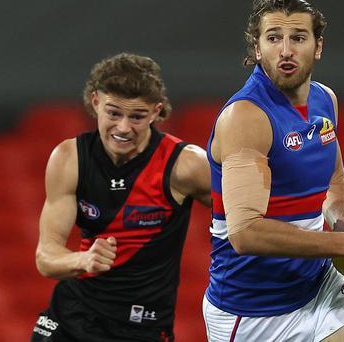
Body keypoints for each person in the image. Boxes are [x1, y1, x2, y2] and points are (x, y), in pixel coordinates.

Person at [203, 0, 344, 341]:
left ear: (317, 47)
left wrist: (341, 223)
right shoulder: (246, 117)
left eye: (298, 38)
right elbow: (246, 233)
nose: (286, 50)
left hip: (318, 287)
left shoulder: (324, 99)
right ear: (258, 50)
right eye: (273, 38)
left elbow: (335, 180)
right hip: (253, 309)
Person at [31, 53, 211, 342]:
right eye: (113, 113)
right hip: (71, 315)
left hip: (140, 328)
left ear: (156, 112)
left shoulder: (184, 165)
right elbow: (46, 257)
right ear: (95, 103)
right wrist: (83, 259)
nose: (124, 128)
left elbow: (247, 216)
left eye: (137, 116)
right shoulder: (70, 158)